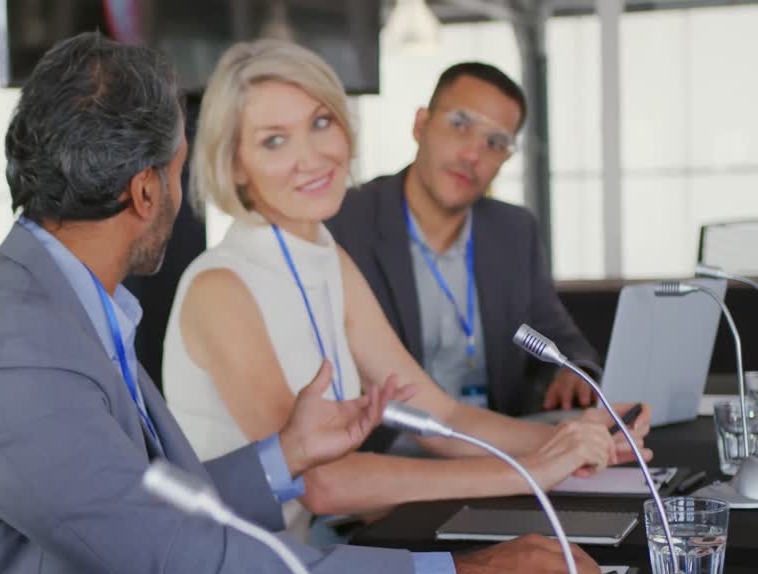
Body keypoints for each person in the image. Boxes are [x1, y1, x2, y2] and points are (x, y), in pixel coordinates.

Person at [0, 32, 615, 574]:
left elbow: (150, 513)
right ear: (148, 193)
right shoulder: (19, 344)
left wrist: (283, 456)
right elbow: (177, 567)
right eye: (177, 174)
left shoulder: (59, 301)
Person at [162, 40, 649, 535]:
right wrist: (533, 469)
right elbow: (320, 482)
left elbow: (438, 413)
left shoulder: (326, 257)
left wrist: (580, 436)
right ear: (235, 164)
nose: (311, 157)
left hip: (310, 555)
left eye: (320, 123)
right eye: (274, 140)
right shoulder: (221, 286)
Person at [327, 62, 603, 414]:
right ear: (421, 125)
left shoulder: (514, 231)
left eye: (495, 142)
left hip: (498, 445)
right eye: (460, 125)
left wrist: (574, 371)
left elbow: (558, 338)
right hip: (387, 451)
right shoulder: (345, 222)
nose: (473, 155)